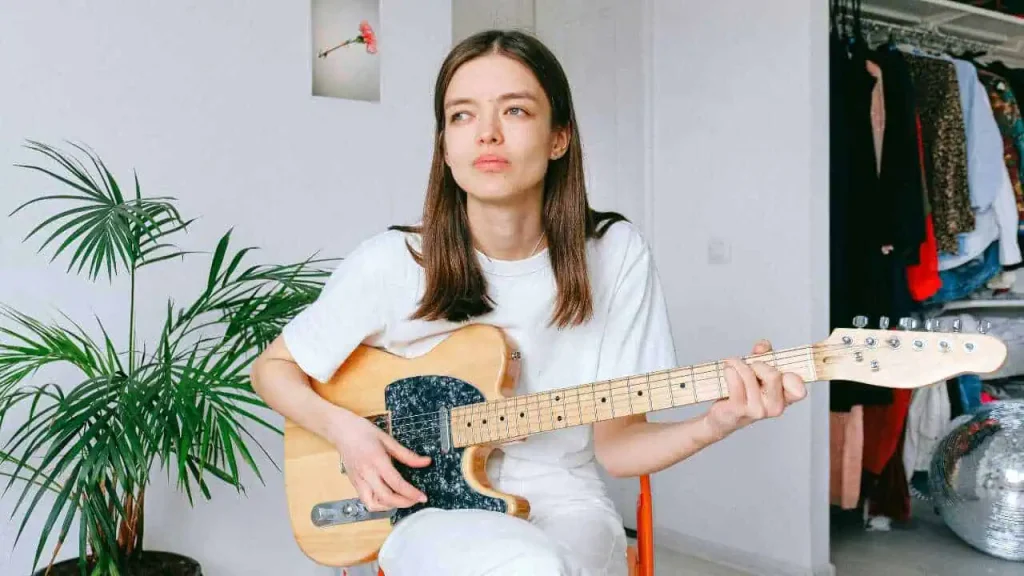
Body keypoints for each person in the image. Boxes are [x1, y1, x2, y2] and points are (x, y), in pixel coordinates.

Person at [250, 29, 808, 576]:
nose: (486, 134)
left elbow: (618, 449)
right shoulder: (391, 262)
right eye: (462, 115)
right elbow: (272, 369)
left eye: (514, 111)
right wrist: (345, 432)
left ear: (559, 137)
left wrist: (717, 422)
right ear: (445, 147)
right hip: (431, 512)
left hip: (568, 504)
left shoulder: (615, 255)